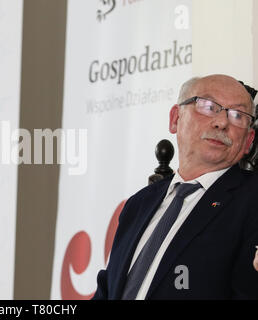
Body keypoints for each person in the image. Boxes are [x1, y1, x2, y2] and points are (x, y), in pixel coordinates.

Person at [93, 74, 258, 299]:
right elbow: (107, 290)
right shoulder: (138, 204)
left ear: (248, 141)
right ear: (175, 118)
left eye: (237, 115)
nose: (222, 122)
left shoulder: (251, 203)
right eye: (208, 106)